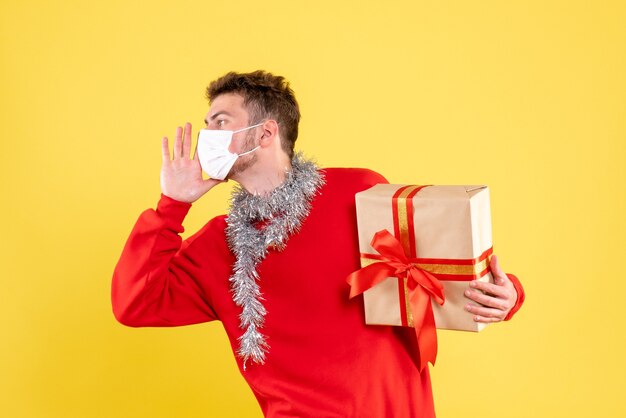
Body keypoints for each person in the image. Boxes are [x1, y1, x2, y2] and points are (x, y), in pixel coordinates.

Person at [112, 70, 525, 417]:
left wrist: (510, 295)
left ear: (265, 134)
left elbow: (443, 265)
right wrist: (171, 205)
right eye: (206, 126)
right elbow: (134, 304)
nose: (205, 137)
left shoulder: (356, 191)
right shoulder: (216, 245)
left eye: (219, 122)